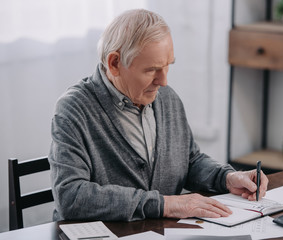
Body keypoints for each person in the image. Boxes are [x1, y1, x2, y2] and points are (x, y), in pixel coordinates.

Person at [49, 9, 268, 222]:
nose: (163, 81)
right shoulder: (74, 109)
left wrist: (227, 178)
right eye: (151, 69)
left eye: (167, 66)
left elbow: (189, 161)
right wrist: (165, 205)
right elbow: (71, 197)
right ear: (114, 63)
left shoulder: (166, 98)